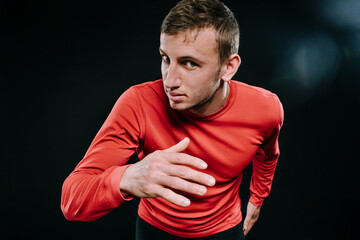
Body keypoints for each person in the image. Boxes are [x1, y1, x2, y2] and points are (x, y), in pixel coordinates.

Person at [61, 0, 284, 239]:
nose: (169, 81)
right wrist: (126, 178)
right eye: (166, 58)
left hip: (224, 229)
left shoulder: (266, 108)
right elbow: (72, 201)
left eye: (190, 63)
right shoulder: (138, 103)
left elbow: (268, 155)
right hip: (155, 230)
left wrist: (257, 197)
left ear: (228, 67)